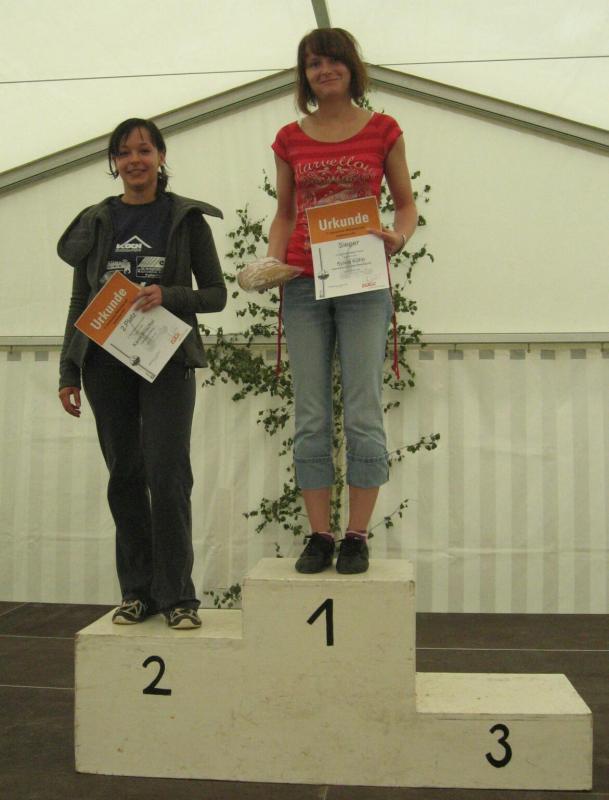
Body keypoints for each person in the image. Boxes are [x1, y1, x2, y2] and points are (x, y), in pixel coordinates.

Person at [58, 118, 227, 628]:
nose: (135, 160)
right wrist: (69, 370)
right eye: (125, 152)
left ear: (160, 157)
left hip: (167, 361)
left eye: (145, 150)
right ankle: (138, 593)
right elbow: (80, 300)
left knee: (167, 474)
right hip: (105, 365)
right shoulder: (96, 221)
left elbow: (215, 295)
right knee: (125, 476)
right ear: (114, 162)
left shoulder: (186, 219)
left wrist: (167, 295)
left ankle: (178, 598)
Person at [267, 28, 418, 575]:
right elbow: (285, 213)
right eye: (313, 63)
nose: (323, 70)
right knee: (310, 410)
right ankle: (319, 535)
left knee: (362, 406)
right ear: (304, 75)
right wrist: (272, 262)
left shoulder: (384, 130)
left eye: (332, 60)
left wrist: (399, 237)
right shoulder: (289, 137)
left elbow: (405, 206)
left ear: (352, 67)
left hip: (363, 283)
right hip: (304, 283)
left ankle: (356, 534)